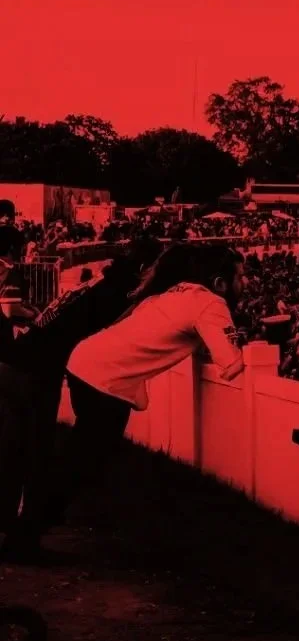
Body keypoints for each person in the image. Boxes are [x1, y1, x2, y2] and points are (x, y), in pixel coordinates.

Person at [55, 244, 246, 536]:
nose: (245, 283)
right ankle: (30, 527)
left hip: (85, 362)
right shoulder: (211, 304)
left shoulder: (177, 291)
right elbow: (231, 364)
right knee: (85, 460)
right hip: (105, 379)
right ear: (220, 283)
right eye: (240, 277)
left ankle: (44, 515)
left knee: (83, 455)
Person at [0, 239, 162, 560]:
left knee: (12, 451)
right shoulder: (118, 296)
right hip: (34, 372)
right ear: (144, 269)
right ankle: (23, 541)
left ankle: (10, 526)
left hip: (15, 361)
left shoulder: (99, 282)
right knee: (36, 454)